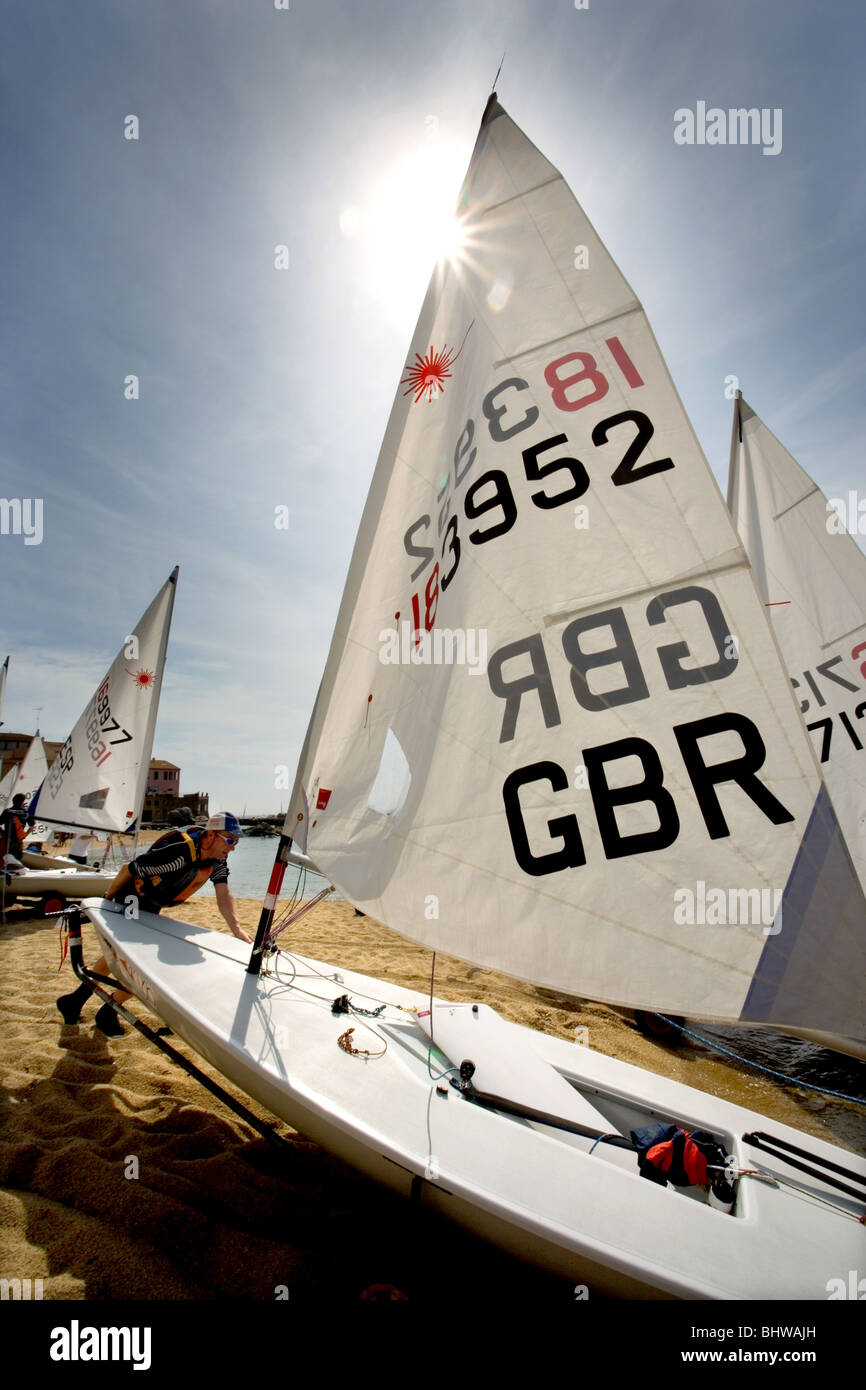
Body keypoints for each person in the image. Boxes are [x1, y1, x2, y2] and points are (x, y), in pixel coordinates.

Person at [57, 812, 252, 1037]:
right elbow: (129, 869)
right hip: (130, 897)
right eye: (230, 840)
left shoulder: (217, 860)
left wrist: (236, 928)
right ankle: (107, 1011)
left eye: (235, 842)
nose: (233, 847)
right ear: (210, 835)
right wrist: (106, 901)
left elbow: (223, 893)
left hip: (152, 903)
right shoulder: (178, 854)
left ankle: (77, 1001)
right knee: (136, 959)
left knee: (120, 956)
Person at [0, 793, 35, 869]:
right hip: (18, 840)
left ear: (13, 801)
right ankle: (15, 872)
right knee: (17, 858)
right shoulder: (25, 812)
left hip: (8, 839)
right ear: (23, 802)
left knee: (6, 857)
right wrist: (26, 834)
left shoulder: (7, 811)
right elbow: (32, 824)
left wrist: (3, 832)